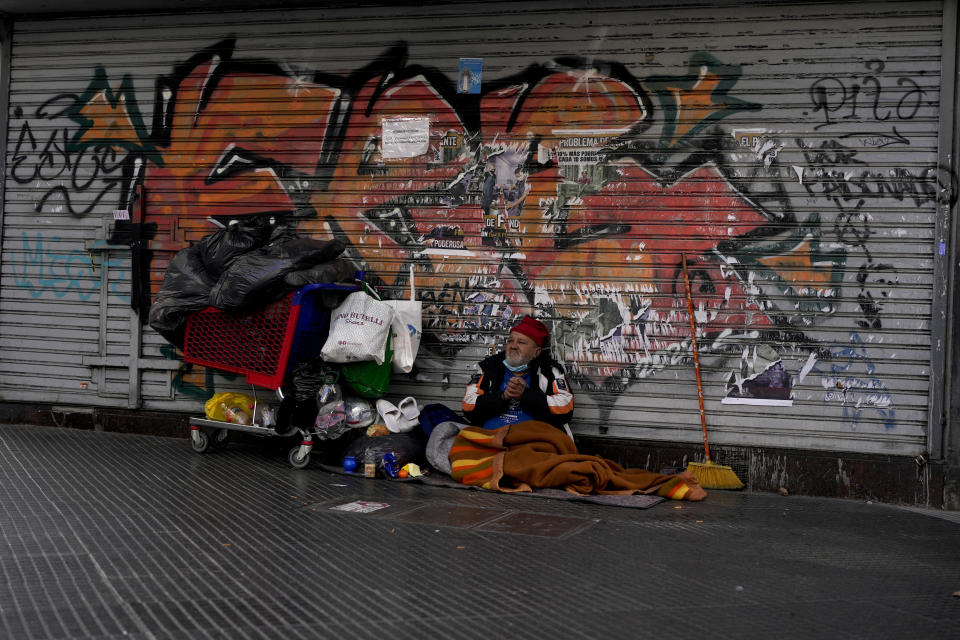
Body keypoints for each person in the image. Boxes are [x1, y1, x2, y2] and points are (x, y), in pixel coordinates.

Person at [462, 315, 574, 436]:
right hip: (490, 439)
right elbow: (468, 406)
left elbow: (565, 408)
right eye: (510, 340)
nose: (513, 345)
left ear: (536, 352)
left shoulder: (549, 371)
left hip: (531, 440)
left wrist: (525, 395)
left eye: (521, 342)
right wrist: (502, 396)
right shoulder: (490, 367)